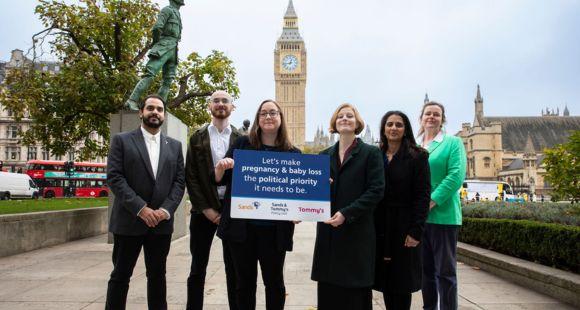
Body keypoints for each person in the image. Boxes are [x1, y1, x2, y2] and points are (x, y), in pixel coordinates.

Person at [214, 99, 300, 310]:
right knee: (243, 284)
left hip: (274, 232)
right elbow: (219, 180)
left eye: (273, 113)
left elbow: (297, 193)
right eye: (263, 113)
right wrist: (221, 167)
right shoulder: (242, 145)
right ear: (257, 119)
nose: (268, 117)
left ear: (281, 118)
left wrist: (302, 205)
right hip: (242, 231)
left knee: (274, 284)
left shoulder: (293, 154)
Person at [105, 94, 186, 309]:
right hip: (128, 221)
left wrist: (165, 210)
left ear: (164, 115)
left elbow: (179, 182)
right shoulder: (122, 140)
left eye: (159, 109)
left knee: (158, 277)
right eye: (150, 108)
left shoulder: (175, 146)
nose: (155, 112)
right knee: (121, 276)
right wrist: (141, 209)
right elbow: (115, 177)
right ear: (141, 112)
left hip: (160, 223)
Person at [311, 103, 385, 310]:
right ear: (334, 123)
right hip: (329, 235)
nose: (345, 119)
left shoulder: (371, 153)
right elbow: (311, 193)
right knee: (328, 296)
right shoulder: (323, 156)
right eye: (340, 116)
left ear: (357, 123)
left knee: (355, 297)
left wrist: (347, 213)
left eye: (349, 116)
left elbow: (376, 190)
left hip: (357, 233)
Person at [185, 91, 241, 310]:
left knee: (233, 269)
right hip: (203, 212)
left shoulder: (242, 138)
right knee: (198, 268)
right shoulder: (197, 137)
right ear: (209, 106)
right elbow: (191, 176)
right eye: (216, 101)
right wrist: (206, 209)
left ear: (232, 107)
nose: (220, 104)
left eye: (225, 101)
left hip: (232, 211)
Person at [373, 111, 431, 310]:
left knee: (402, 282)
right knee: (386, 280)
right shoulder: (376, 155)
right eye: (389, 124)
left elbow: (423, 196)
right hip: (380, 225)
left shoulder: (418, 156)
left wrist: (416, 231)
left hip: (404, 225)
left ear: (406, 129)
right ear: (383, 128)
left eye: (399, 125)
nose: (394, 128)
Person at [418, 101, 466, 310]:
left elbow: (455, 176)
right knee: (425, 273)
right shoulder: (417, 146)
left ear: (442, 119)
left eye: (436, 114)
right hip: (419, 219)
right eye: (428, 113)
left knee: (445, 273)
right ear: (421, 118)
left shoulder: (452, 143)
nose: (431, 117)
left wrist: (431, 201)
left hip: (443, 216)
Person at [125, 0, 184, 110]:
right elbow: (157, 27)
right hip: (163, 46)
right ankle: (131, 101)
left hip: (173, 48)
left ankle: (160, 106)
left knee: (168, 81)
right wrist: (157, 44)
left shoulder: (177, 13)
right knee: (150, 74)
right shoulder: (167, 10)